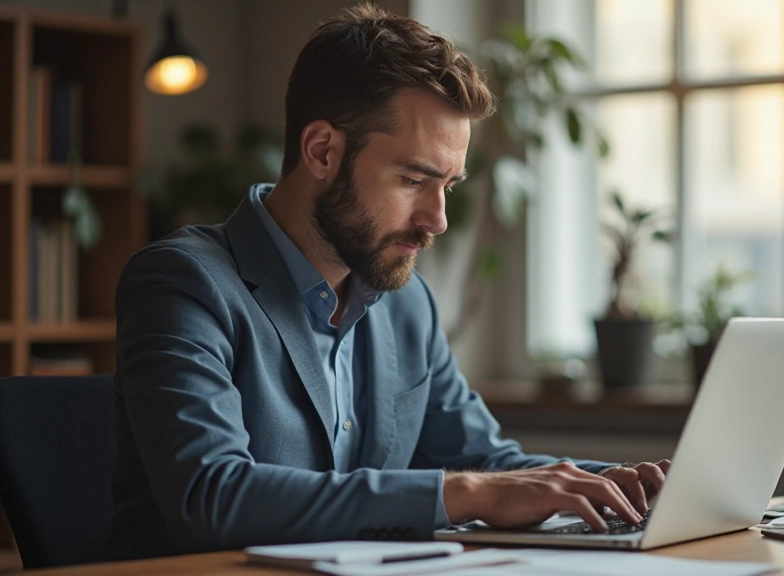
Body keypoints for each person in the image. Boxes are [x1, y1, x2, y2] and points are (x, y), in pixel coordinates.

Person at [107, 4, 670, 560]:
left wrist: (620, 482)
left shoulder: (407, 304)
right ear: (322, 151)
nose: (438, 220)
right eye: (413, 180)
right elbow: (212, 496)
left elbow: (489, 464)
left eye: (448, 186)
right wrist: (470, 493)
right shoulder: (183, 283)